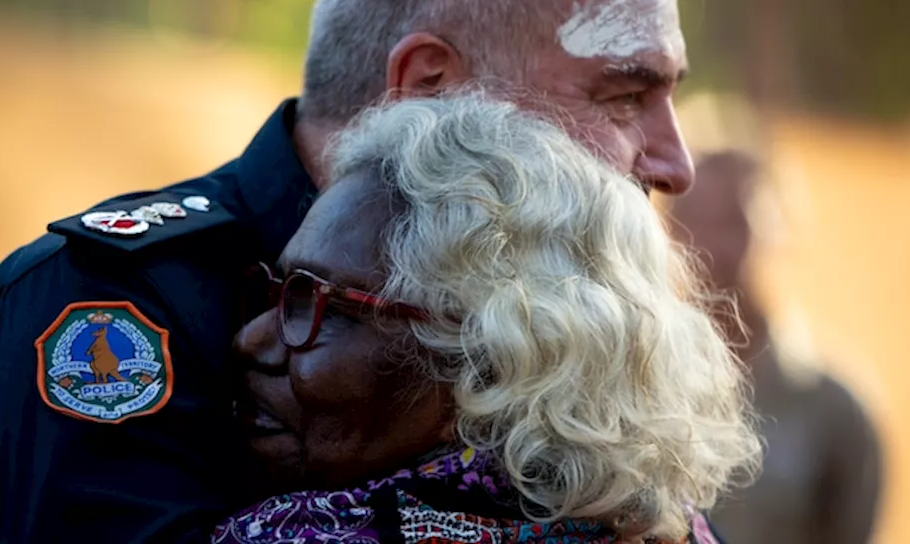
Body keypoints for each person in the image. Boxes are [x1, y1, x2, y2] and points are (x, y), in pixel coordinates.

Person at [0, 0, 716, 543]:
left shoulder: (545, 339)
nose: (675, 162)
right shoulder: (114, 313)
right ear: (431, 86)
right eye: (623, 95)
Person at [222, 92, 760, 544]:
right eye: (279, 293)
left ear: (488, 367)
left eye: (325, 306)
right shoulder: (674, 529)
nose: (251, 340)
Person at [666, 150, 882, 544]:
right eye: (695, 222)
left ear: (772, 232)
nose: (715, 248)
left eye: (733, 223)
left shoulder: (832, 407)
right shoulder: (636, 390)